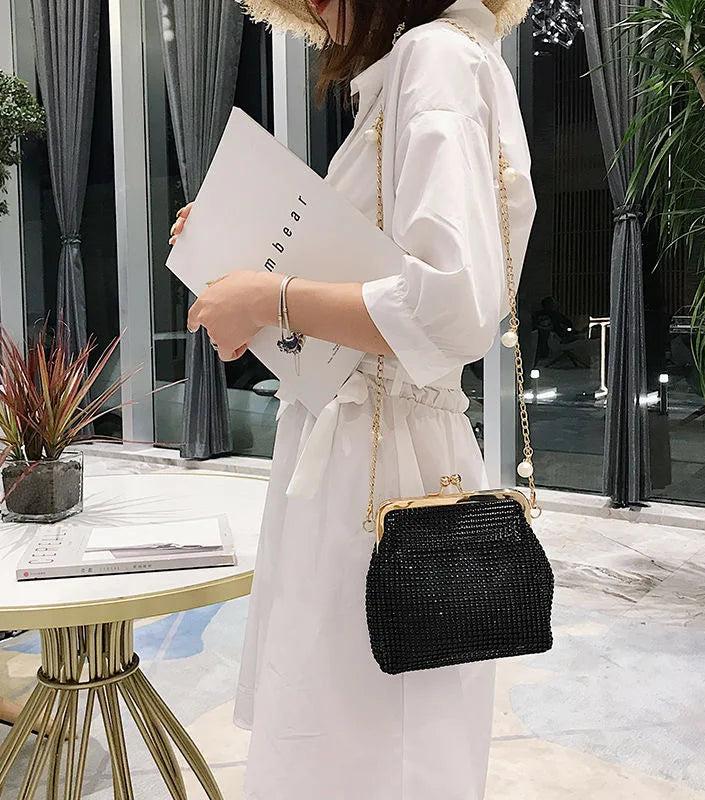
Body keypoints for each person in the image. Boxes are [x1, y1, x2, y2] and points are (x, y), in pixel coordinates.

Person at [170, 1, 536, 797]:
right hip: (366, 446)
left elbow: (452, 307)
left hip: (383, 466)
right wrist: (241, 258)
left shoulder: (435, 59)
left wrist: (268, 296)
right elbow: (378, 273)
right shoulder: (426, 63)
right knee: (358, 734)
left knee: (372, 742)